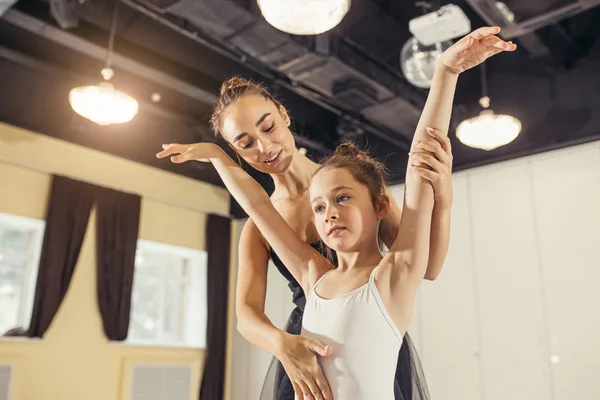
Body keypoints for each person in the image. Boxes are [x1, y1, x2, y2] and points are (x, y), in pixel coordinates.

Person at [158, 26, 515, 399]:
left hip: (375, 322)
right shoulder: (312, 272)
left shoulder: (385, 265)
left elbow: (419, 176)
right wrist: (282, 343)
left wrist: (445, 72)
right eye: (245, 144)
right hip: (304, 344)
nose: (264, 146)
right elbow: (258, 208)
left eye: (267, 127)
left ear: (283, 115)